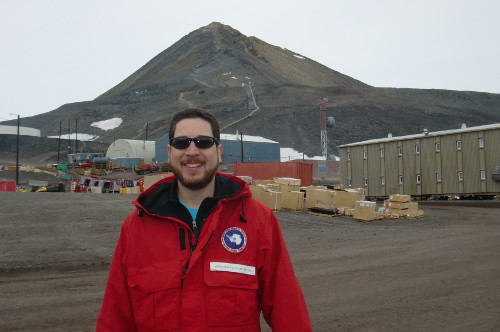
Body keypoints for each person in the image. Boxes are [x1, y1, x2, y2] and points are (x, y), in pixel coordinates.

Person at [96, 108, 312, 331]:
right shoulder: (136, 227)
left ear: (218, 152)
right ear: (169, 152)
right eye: (181, 143)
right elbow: (115, 317)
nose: (192, 151)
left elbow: (289, 312)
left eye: (203, 142)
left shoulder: (258, 220)